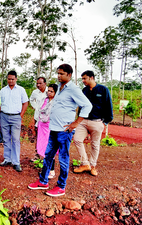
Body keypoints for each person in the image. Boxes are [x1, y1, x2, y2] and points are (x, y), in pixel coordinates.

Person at [28, 64, 92, 197]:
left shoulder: (73, 89)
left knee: (63, 158)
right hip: (53, 128)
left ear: (69, 75)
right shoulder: (60, 89)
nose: (58, 76)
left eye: (61, 74)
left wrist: (75, 123)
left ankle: (61, 186)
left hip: (64, 131)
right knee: (48, 156)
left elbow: (87, 105)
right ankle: (43, 181)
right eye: (58, 73)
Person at [73, 70, 113, 176]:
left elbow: (108, 105)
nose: (83, 81)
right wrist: (78, 119)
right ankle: (85, 163)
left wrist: (105, 122)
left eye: (84, 78)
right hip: (83, 121)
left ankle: (93, 165)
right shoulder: (84, 90)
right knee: (77, 139)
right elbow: (81, 105)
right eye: (82, 79)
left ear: (91, 78)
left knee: (95, 145)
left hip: (97, 121)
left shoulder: (103, 89)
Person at [0, 71, 29, 172]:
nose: (10, 81)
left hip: (16, 117)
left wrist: (21, 115)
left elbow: (25, 103)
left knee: (15, 139)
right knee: (6, 139)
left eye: (12, 79)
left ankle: (16, 162)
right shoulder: (2, 90)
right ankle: (7, 159)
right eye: (9, 79)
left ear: (16, 79)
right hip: (4, 116)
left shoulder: (21, 90)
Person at [36, 83, 58, 179]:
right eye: (48, 91)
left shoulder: (56, 102)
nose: (49, 93)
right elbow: (39, 111)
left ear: (55, 93)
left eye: (51, 91)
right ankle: (45, 169)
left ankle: (51, 170)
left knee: (50, 148)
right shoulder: (44, 100)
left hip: (50, 127)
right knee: (42, 148)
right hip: (42, 126)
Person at [29, 77, 48, 162]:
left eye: (40, 83)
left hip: (48, 119)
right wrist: (36, 107)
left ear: (45, 83)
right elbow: (31, 100)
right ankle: (37, 154)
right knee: (38, 136)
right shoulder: (35, 92)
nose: (38, 85)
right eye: (37, 83)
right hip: (38, 117)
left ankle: (47, 155)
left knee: (47, 137)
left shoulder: (50, 91)